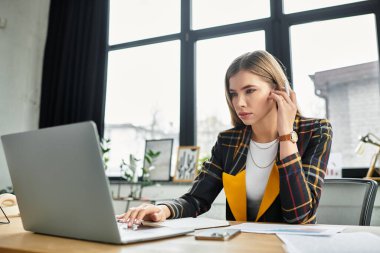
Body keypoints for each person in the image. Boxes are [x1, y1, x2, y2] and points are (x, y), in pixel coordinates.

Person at [116, 50, 333, 227]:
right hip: (241, 245)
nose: (239, 103)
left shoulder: (315, 132)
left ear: (277, 90)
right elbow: (197, 199)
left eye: (249, 91)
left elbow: (299, 216)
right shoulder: (228, 141)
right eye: (233, 94)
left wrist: (286, 135)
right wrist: (162, 209)